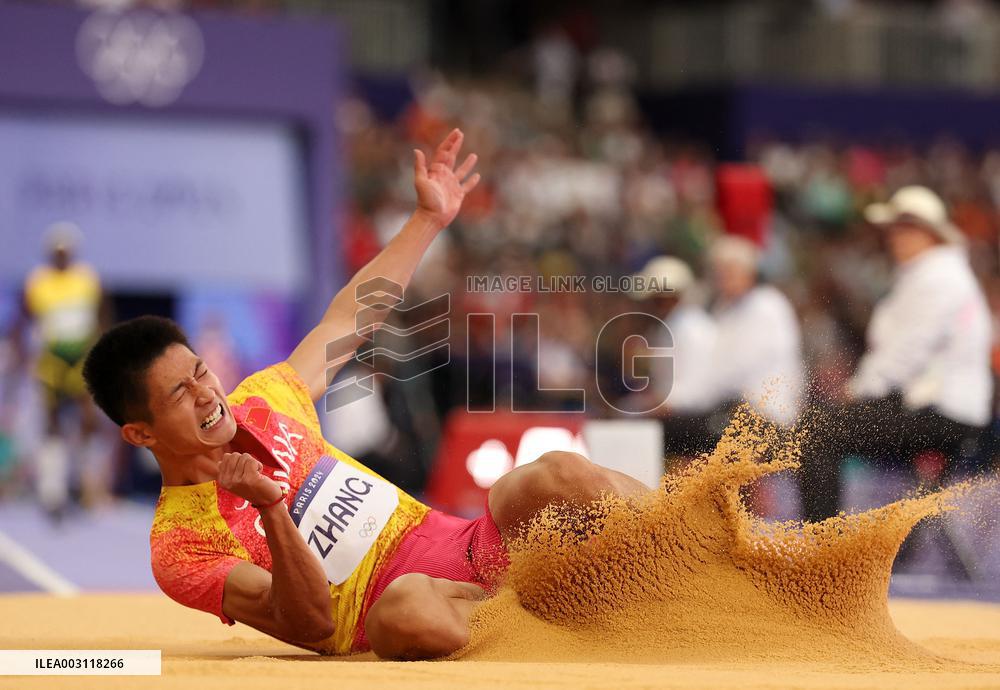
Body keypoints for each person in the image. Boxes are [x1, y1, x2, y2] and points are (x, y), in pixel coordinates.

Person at [82, 130, 647, 660]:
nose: (206, 394)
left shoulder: (267, 401)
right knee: (400, 611)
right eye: (180, 393)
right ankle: (541, 628)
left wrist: (427, 219)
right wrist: (271, 507)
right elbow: (309, 623)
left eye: (201, 372)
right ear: (140, 432)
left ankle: (694, 538)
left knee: (556, 475)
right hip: (421, 610)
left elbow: (348, 319)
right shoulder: (181, 546)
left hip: (474, 545)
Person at [798, 186, 992, 522]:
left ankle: (822, 551)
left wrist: (856, 391)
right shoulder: (925, 275)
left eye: (906, 228)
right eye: (896, 228)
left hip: (942, 414)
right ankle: (828, 544)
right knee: (819, 424)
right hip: (927, 405)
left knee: (818, 432)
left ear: (929, 234)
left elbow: (906, 354)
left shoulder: (939, 278)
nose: (895, 237)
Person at [14, 224, 107, 520]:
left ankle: (82, 482)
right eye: (56, 252)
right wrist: (22, 355)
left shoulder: (87, 279)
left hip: (82, 357)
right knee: (52, 422)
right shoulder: (37, 282)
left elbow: (103, 316)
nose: (61, 256)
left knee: (89, 420)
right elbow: (23, 320)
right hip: (52, 358)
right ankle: (52, 492)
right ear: (49, 254)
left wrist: (104, 352)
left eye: (66, 252)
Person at [621, 255, 721, 457]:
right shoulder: (672, 327)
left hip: (694, 426)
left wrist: (650, 406)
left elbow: (695, 391)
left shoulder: (692, 329)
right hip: (682, 421)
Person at [707, 235, 805, 429]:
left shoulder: (768, 305)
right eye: (720, 272)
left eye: (731, 271)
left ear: (749, 272)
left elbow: (739, 365)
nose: (724, 278)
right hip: (732, 407)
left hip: (768, 412)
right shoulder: (723, 310)